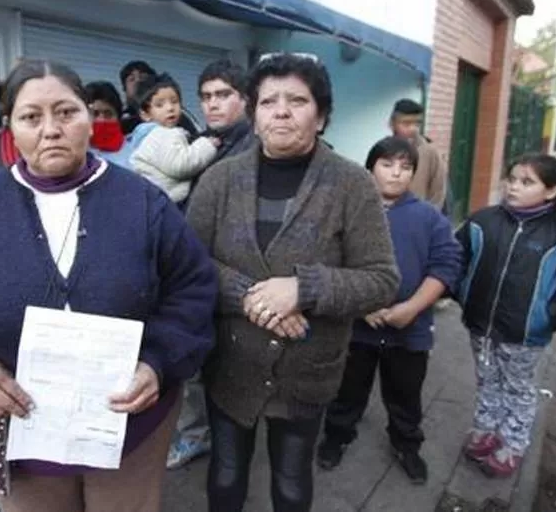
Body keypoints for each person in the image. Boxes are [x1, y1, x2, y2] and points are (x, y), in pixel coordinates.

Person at [0, 59, 218, 512]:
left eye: (66, 112)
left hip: (130, 428)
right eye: (31, 117)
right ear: (9, 128)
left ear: (90, 118)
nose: (51, 129)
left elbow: (193, 290)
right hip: (20, 432)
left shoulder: (143, 202)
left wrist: (158, 362)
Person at [186, 53, 400, 512]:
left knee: (290, 482)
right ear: (254, 112)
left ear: (321, 116)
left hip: (306, 368)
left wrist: (303, 290)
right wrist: (253, 297)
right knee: (225, 477)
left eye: (297, 100)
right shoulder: (219, 180)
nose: (281, 110)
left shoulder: (351, 184)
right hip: (230, 364)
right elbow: (189, 265)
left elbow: (382, 280)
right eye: (268, 101)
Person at [316, 137, 462, 484]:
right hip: (356, 328)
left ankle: (406, 444)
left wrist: (412, 308)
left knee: (405, 394)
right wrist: (359, 303)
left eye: (405, 167)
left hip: (408, 330)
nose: (396, 174)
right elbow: (328, 259)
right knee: (346, 390)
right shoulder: (349, 210)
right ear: (370, 168)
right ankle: (337, 435)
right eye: (387, 164)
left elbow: (447, 264)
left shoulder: (428, 217)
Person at [456, 153, 556, 477]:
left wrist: (551, 315)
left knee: (518, 388)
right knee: (487, 378)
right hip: (480, 324)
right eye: (512, 178)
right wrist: (461, 292)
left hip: (526, 335)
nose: (514, 186)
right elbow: (454, 259)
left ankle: (513, 442)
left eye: (526, 182)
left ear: (551, 191)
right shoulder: (483, 221)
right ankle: (485, 428)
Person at [166, 59, 254, 470]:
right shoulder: (202, 142)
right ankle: (200, 435)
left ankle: (226, 440)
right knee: (197, 362)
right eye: (206, 96)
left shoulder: (252, 147)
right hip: (193, 272)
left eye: (223, 95)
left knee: (228, 365)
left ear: (244, 99)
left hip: (231, 275)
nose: (213, 104)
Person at [127, 73, 218, 204]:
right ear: (146, 114)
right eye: (160, 105)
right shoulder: (161, 134)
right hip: (167, 204)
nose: (170, 108)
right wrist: (207, 145)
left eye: (174, 101)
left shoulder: (145, 137)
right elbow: (180, 165)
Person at [118, 59, 198, 137]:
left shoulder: (175, 111)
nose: (138, 81)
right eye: (132, 79)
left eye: (142, 77)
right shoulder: (122, 118)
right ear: (124, 88)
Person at [390, 99, 446, 208]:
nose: (413, 128)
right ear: (392, 124)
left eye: (417, 124)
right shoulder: (383, 150)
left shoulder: (429, 152)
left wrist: (427, 219)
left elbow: (438, 193)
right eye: (406, 123)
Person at [85, 81, 128, 166]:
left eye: (108, 114)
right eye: (95, 114)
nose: (102, 120)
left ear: (118, 117)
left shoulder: (134, 151)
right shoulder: (74, 152)